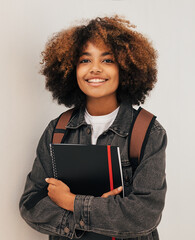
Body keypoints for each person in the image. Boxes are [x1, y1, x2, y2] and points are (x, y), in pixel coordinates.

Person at [19, 15, 167, 240]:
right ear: (70, 68)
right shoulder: (57, 130)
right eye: (85, 60)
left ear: (125, 68)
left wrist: (71, 202)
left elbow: (144, 215)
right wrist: (98, 214)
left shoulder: (148, 132)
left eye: (107, 60)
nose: (95, 69)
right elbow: (31, 204)